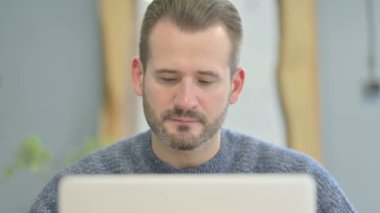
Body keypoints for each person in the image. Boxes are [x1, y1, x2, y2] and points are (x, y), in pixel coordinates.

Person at [30, 0, 356, 212]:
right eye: (169, 78)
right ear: (138, 76)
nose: (185, 101)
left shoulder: (305, 186)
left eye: (205, 80)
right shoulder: (73, 195)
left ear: (235, 85)